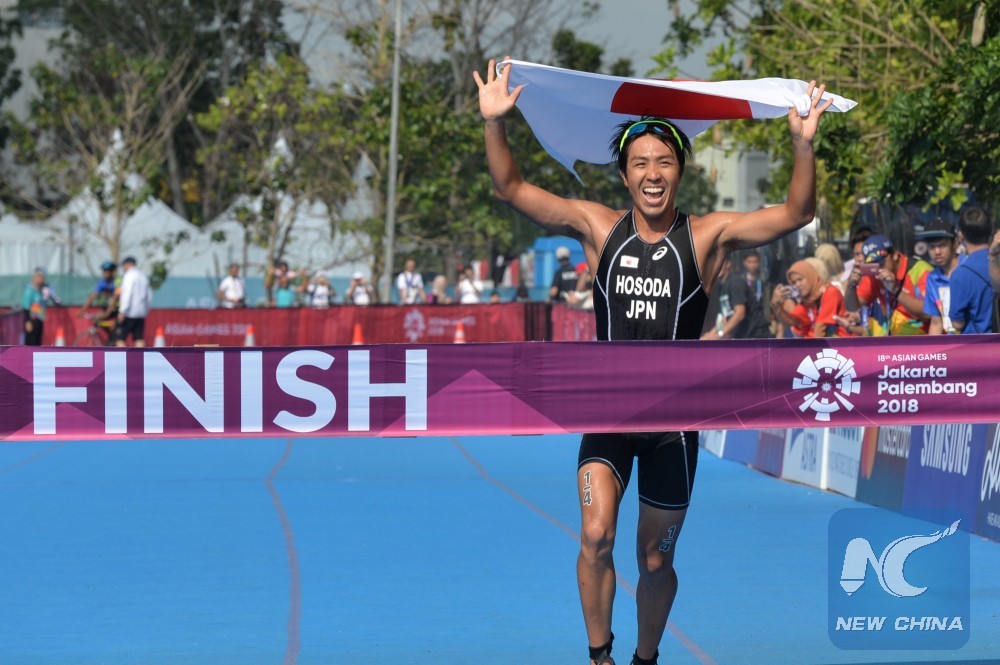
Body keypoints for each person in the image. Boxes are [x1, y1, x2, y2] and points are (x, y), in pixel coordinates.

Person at [475, 56, 832, 665]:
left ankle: (646, 658)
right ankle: (600, 657)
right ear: (623, 174)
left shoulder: (707, 236)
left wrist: (802, 145)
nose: (652, 173)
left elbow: (796, 214)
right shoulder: (599, 228)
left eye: (664, 161)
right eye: (640, 163)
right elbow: (511, 189)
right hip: (608, 418)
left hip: (674, 426)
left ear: (680, 171)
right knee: (595, 536)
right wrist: (494, 123)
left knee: (655, 560)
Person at [844, 234, 930, 336]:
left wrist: (896, 291)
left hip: (924, 340)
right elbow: (852, 307)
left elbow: (928, 314)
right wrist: (851, 286)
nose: (878, 268)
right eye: (872, 264)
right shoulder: (875, 274)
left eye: (881, 262)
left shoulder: (921, 271)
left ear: (895, 255)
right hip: (894, 339)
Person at [770, 259, 852, 338]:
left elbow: (820, 327)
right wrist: (776, 306)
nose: (798, 284)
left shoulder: (830, 292)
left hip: (842, 344)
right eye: (793, 282)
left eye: (800, 279)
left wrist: (811, 347)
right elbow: (791, 322)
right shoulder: (808, 301)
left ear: (810, 276)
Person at [949, 206, 995, 334]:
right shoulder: (997, 262)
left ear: (961, 235)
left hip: (981, 343)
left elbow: (957, 323)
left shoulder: (961, 274)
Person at [918, 219, 963, 334]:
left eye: (942, 245)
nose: (937, 252)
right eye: (932, 247)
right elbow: (936, 323)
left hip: (978, 340)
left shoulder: (969, 268)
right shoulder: (932, 278)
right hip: (952, 343)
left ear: (955, 244)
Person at [115, 256, 153, 347]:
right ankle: (141, 356)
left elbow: (127, 294)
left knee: (120, 339)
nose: (123, 267)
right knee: (139, 338)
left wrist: (122, 310)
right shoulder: (142, 276)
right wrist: (145, 310)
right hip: (140, 313)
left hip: (129, 313)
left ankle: (123, 356)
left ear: (127, 264)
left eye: (124, 265)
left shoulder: (129, 276)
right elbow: (149, 296)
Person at [78, 261, 119, 338]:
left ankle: (114, 337)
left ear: (112, 272)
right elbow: (92, 297)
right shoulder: (102, 283)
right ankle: (112, 337)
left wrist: (107, 313)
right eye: (104, 271)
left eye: (107, 272)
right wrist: (82, 310)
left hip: (118, 307)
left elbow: (114, 299)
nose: (105, 274)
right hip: (109, 306)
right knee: (98, 318)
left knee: (114, 323)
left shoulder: (116, 282)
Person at [22, 268, 59, 346]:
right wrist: (28, 321)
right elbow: (26, 307)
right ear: (34, 278)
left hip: (39, 318)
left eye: (42, 277)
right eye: (39, 277)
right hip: (32, 320)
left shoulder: (42, 290)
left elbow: (50, 299)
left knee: (37, 341)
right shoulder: (29, 290)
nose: (41, 279)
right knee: (31, 341)